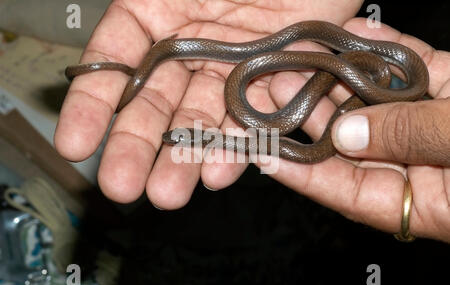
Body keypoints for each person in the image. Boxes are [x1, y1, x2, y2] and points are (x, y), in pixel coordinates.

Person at [54, 0, 450, 242]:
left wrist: (359, 104)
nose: (175, 140)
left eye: (179, 139)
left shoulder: (376, 72)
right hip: (354, 69)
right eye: (179, 139)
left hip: (367, 71)